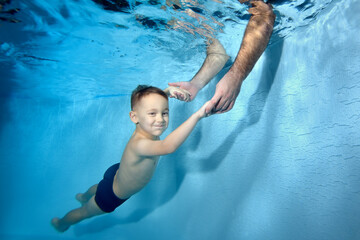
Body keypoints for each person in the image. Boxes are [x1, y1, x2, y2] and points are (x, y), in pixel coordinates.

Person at [51, 85, 209, 232]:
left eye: (165, 113)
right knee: (85, 212)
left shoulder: (146, 128)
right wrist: (198, 115)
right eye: (153, 114)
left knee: (100, 185)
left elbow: (146, 106)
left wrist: (167, 92)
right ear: (134, 117)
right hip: (112, 195)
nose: (160, 119)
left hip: (117, 172)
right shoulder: (141, 143)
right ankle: (61, 223)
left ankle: (83, 196)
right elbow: (168, 146)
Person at [168, 0, 276, 114]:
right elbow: (218, 54)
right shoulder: (186, 11)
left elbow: (264, 13)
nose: (177, 27)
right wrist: (196, 83)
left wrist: (236, 76)